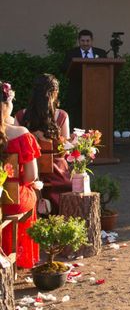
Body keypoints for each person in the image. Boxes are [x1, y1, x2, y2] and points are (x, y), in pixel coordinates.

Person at [15, 74, 72, 214]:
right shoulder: (62, 116)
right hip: (57, 176)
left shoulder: (20, 116)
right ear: (55, 93)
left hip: (28, 174)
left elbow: (15, 147)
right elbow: (66, 151)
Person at [0, 80, 41, 269]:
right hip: (12, 200)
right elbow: (31, 176)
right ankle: (19, 256)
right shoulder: (21, 134)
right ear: (6, 105)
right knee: (30, 193)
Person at [62, 29, 108, 128]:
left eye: (88, 41)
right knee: (76, 116)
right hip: (76, 90)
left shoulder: (101, 53)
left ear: (92, 41)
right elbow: (64, 69)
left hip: (96, 90)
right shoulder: (71, 53)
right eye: (83, 41)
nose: (85, 43)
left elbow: (105, 69)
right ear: (79, 41)